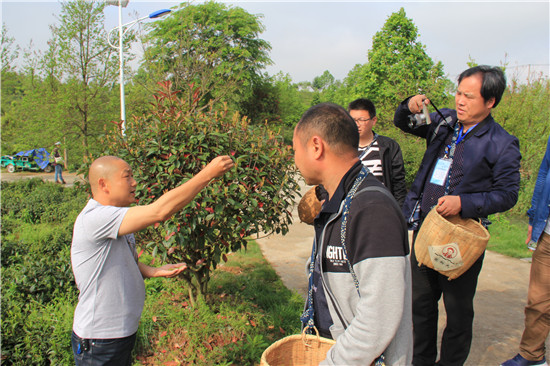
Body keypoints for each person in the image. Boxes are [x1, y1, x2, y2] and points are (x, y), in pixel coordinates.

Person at [393, 65, 521, 366]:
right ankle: (421, 361)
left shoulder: (501, 143)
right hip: (426, 229)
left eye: (469, 96)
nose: (460, 101)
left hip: (460, 238)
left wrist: (464, 202)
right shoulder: (444, 122)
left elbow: (507, 194)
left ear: (490, 102)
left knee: (458, 309)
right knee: (420, 305)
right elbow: (405, 122)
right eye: (458, 93)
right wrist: (409, 104)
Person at [70, 154, 234, 365]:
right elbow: (159, 211)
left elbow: (118, 259)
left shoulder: (116, 216)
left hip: (118, 334)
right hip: (99, 340)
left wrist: (152, 270)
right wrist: (208, 174)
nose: (134, 182)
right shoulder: (95, 218)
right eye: (127, 177)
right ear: (104, 184)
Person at [295, 102, 412, 365]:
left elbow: (378, 318)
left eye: (295, 150)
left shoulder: (371, 209)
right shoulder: (336, 200)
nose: (295, 158)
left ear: (316, 147)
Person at [501, 135, 550, 366]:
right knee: (538, 301)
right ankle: (532, 355)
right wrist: (534, 217)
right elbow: (544, 173)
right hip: (548, 233)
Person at [348, 98, 407, 206]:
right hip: (350, 211)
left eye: (361, 120)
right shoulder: (343, 147)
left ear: (373, 120)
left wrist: (399, 212)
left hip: (381, 208)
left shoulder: (389, 147)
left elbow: (398, 183)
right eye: (352, 120)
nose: (356, 124)